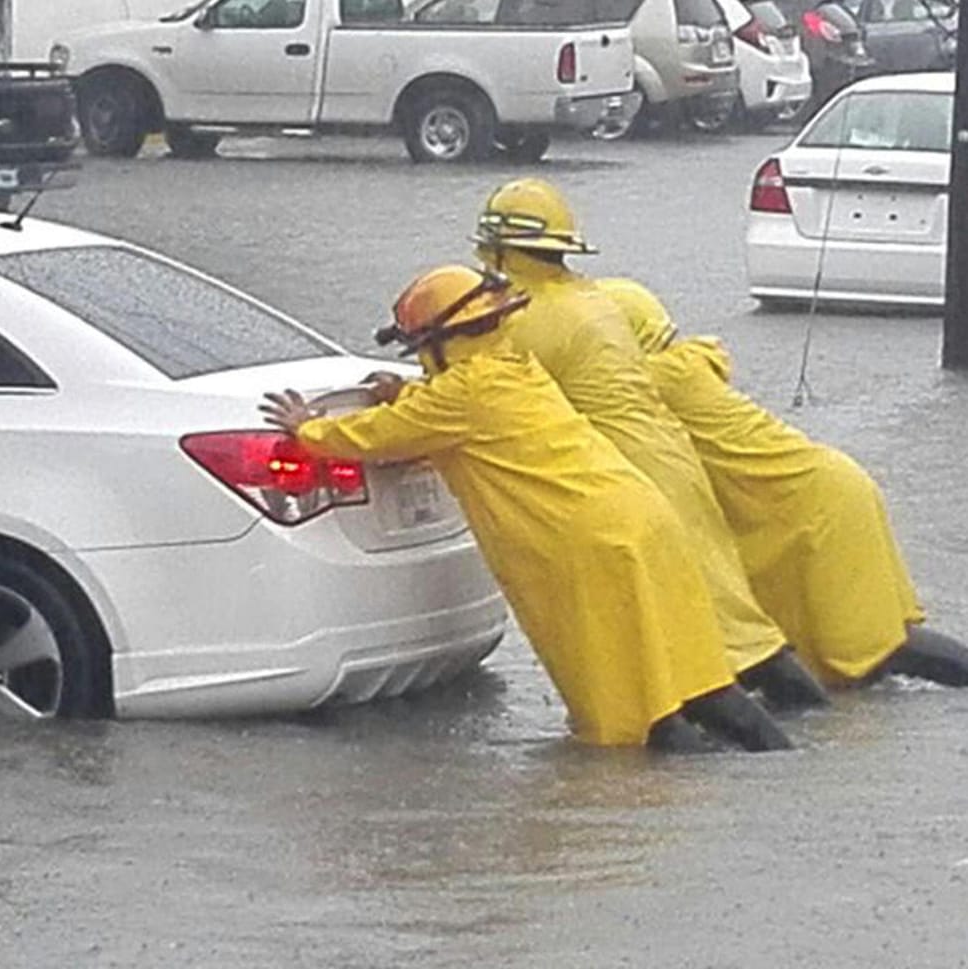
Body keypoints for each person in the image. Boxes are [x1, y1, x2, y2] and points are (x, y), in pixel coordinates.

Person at [260, 264, 792, 752]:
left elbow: (374, 437)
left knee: (633, 717)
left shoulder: (459, 398)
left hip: (591, 545)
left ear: (442, 341)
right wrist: (404, 392)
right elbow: (448, 410)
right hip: (646, 520)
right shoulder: (517, 367)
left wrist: (308, 426)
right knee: (699, 680)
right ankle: (778, 768)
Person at [469, 177, 830, 709]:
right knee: (737, 627)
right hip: (673, 459)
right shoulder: (595, 298)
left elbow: (475, 393)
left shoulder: (527, 319)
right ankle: (810, 746)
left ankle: (776, 755)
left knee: (704, 645)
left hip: (637, 475)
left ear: (502, 251)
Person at [599, 277, 968, 688]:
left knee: (880, 650)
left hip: (819, 509)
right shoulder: (684, 366)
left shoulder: (651, 384)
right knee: (816, 656)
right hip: (814, 498)